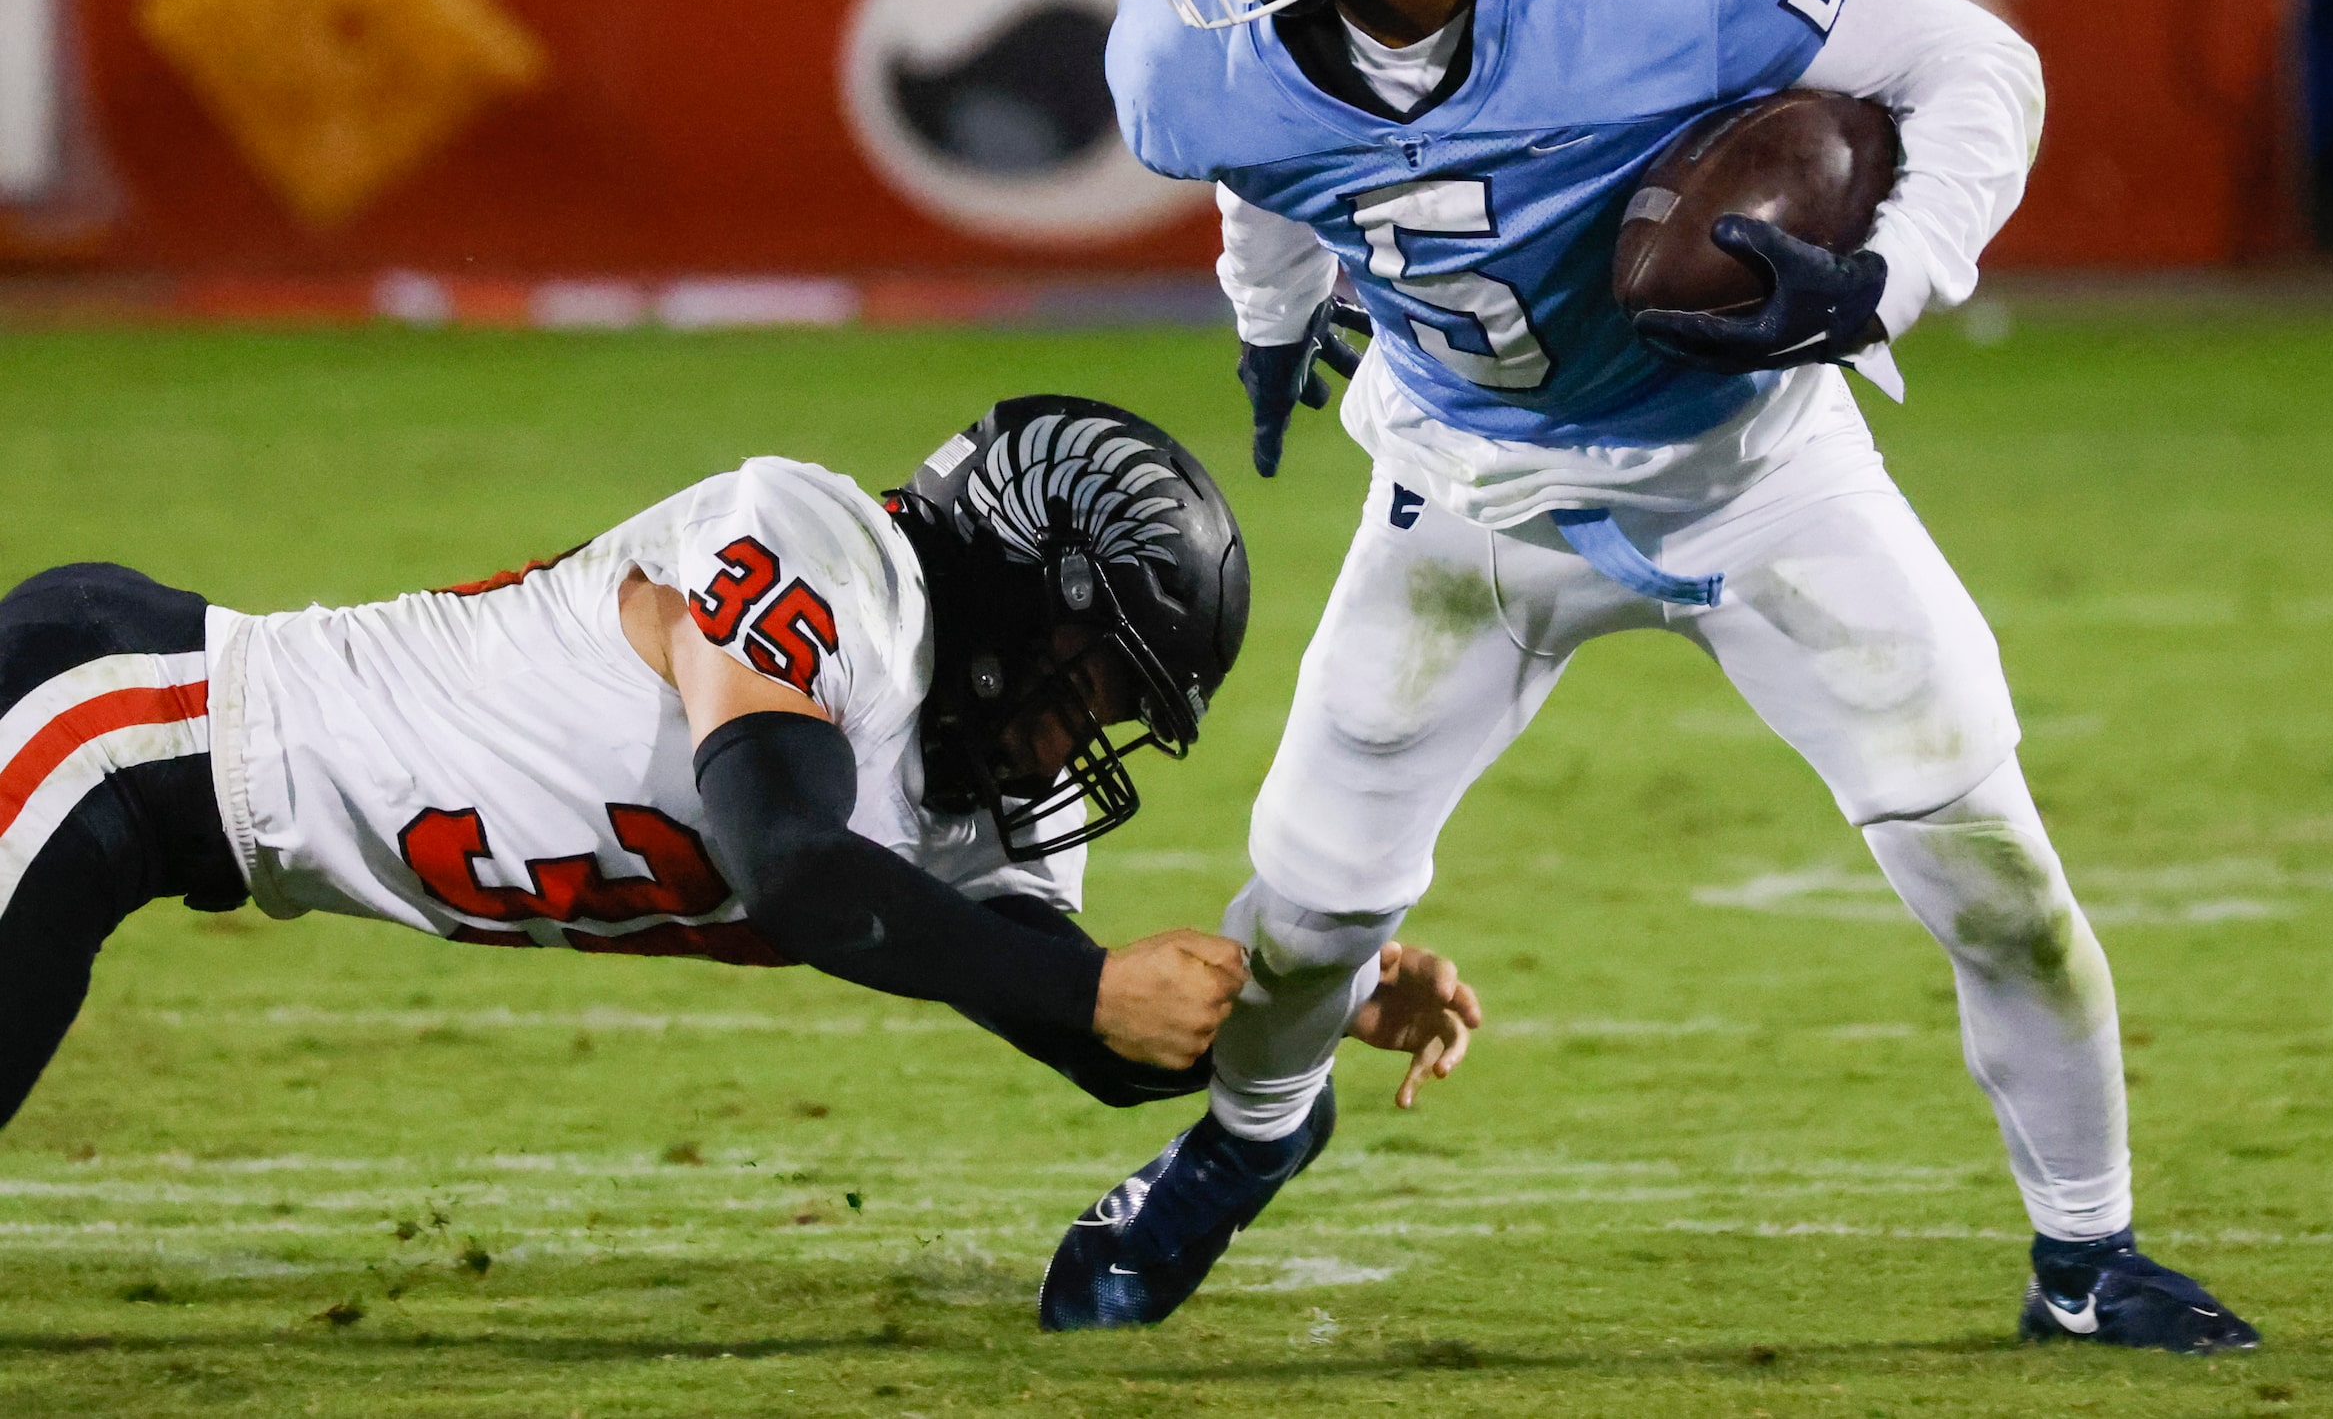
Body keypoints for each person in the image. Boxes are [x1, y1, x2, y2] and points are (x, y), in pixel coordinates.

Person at [1038, 0, 2256, 1353]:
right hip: (1464, 490)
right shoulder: (1192, 59)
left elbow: (1965, 57)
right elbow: (1266, 168)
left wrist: (1890, 276)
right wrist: (1269, 311)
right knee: (1307, 909)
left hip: (1748, 476)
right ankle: (1247, 1138)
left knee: (1991, 869)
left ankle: (2085, 1256)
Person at [0, 394, 1477, 1141]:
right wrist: (1091, 983)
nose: (1068, 743)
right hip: (124, 728)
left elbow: (1088, 1036)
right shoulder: (819, 547)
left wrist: (1319, 988)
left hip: (166, 800)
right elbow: (797, 867)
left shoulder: (975, 790)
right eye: (1084, 689)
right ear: (1026, 600)